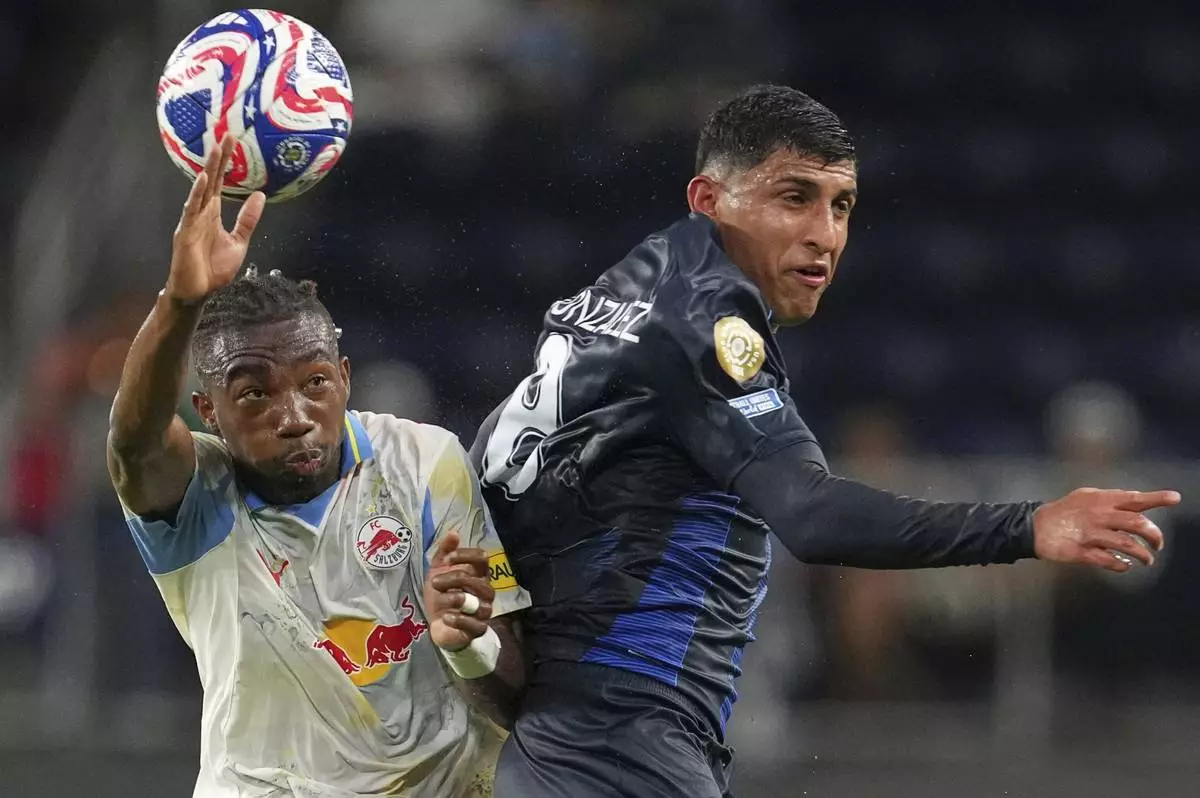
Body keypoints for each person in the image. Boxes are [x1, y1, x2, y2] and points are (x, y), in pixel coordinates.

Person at [469, 84, 1181, 797]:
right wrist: (1030, 525)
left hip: (564, 736)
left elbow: (485, 473)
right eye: (794, 197)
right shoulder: (708, 325)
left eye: (841, 205)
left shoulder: (621, 292)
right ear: (709, 200)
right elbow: (812, 515)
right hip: (625, 737)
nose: (826, 235)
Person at [106, 136, 530, 798]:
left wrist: (466, 646)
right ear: (207, 411)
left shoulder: (423, 461)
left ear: (345, 378)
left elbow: (513, 696)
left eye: (315, 383)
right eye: (255, 393)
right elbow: (134, 441)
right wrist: (180, 303)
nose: (295, 415)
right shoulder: (197, 499)